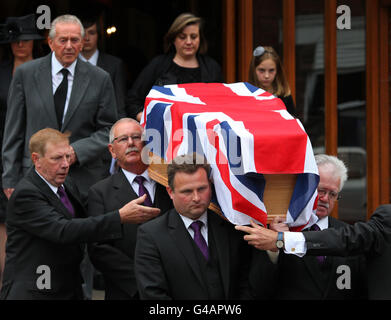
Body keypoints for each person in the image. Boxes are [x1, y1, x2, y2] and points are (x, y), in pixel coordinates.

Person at [0, 128, 160, 300]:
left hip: (68, 286)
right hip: (35, 290)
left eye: (67, 157)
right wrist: (119, 217)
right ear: (36, 159)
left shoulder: (67, 183)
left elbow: (86, 219)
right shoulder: (26, 194)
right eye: (56, 158)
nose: (65, 164)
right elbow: (63, 230)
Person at [2, 14, 118, 201]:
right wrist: (10, 178)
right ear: (50, 42)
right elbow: (14, 131)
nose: (69, 46)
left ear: (82, 43)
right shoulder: (26, 74)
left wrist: (77, 151)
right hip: (34, 176)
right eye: (63, 40)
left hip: (83, 179)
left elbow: (109, 129)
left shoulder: (100, 78)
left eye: (75, 40)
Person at [240, 154, 367, 299]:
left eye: (332, 194)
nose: (325, 198)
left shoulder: (347, 234)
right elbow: (260, 287)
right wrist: (274, 249)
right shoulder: (281, 230)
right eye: (321, 190)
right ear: (306, 187)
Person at [134, 153, 252, 300]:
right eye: (187, 191)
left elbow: (245, 283)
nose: (196, 198)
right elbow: (153, 294)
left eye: (202, 189)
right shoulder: (151, 235)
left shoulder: (231, 226)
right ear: (171, 192)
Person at [87, 118, 173, 299]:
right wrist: (142, 283)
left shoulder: (169, 183)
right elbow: (99, 249)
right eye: (123, 139)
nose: (131, 143)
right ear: (112, 150)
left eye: (136, 137)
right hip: (127, 292)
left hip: (175, 287)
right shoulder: (99, 192)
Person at [0, 13, 44, 290]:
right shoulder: (3, 72)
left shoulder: (44, 72)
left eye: (26, 39)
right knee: (4, 214)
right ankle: (7, 278)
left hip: (36, 148)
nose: (20, 45)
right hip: (2, 147)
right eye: (15, 40)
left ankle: (32, 278)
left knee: (36, 209)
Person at [127, 12, 223, 121]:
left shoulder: (212, 68)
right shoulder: (158, 65)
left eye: (194, 37)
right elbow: (132, 101)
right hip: (164, 133)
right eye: (182, 37)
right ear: (173, 39)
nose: (188, 42)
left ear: (200, 39)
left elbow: (223, 103)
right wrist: (150, 121)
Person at [80, 16, 127, 118]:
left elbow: (120, 103)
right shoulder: (69, 63)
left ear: (98, 36)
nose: (87, 38)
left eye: (91, 33)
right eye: (83, 34)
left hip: (105, 125)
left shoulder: (114, 64)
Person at [248, 45, 296, 117]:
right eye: (261, 70)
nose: (266, 76)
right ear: (254, 70)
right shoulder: (247, 94)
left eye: (271, 70)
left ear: (277, 71)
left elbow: (293, 122)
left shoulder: (284, 95)